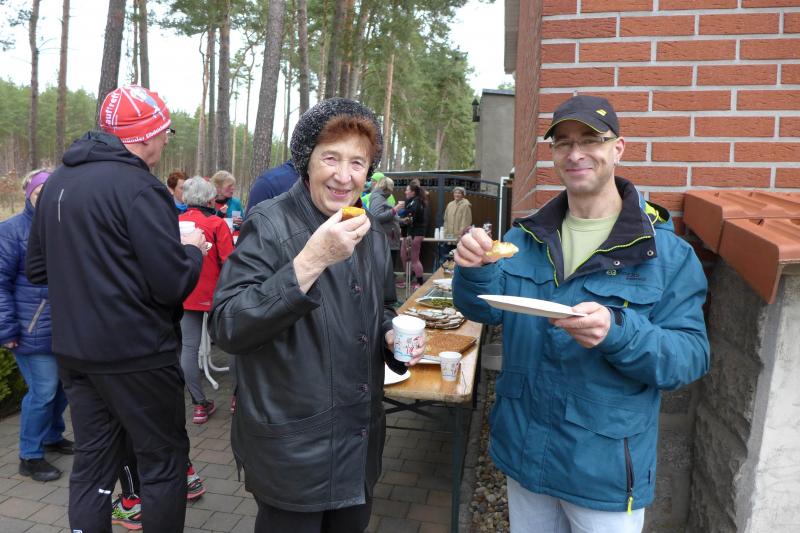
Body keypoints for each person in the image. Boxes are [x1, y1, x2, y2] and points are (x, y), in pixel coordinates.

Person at [452, 95, 710, 533]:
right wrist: (474, 269)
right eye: (563, 142)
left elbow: (690, 356)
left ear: (618, 148)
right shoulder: (525, 238)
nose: (575, 153)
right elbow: (481, 309)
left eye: (591, 140)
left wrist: (619, 333)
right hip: (525, 451)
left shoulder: (665, 253)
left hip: (604, 471)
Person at [208, 97, 422, 533]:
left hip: (359, 442)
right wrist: (311, 260)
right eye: (331, 158)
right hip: (294, 453)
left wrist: (389, 335)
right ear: (307, 161)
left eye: (357, 162)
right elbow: (228, 326)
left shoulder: (370, 230)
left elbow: (382, 306)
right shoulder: (270, 223)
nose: (344, 176)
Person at [25, 84, 206, 533]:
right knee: (162, 463)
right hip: (138, 355)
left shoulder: (58, 182)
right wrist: (191, 249)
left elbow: (38, 269)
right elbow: (172, 285)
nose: (165, 143)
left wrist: (92, 268)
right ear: (146, 135)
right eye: (165, 133)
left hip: (75, 351)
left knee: (93, 464)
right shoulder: (140, 188)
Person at [0, 169, 71, 483]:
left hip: (64, 327)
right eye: (40, 192)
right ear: (28, 194)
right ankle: (29, 456)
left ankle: (53, 435)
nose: (46, 199)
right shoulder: (10, 231)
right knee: (43, 391)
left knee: (63, 387)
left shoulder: (64, 226)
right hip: (30, 327)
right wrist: (6, 329)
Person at [178, 177, 235, 424]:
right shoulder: (216, 223)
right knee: (233, 345)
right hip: (216, 295)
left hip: (185, 292)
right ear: (210, 199)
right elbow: (230, 261)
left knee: (188, 349)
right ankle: (237, 398)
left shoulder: (173, 221)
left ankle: (199, 405)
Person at [367, 176, 402, 270]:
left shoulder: (381, 197)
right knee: (386, 270)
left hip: (388, 240)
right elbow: (376, 218)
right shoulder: (378, 198)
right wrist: (394, 210)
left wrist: (401, 221)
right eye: (392, 188)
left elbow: (387, 216)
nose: (392, 191)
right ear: (387, 187)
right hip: (385, 241)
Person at [398, 180, 427, 289]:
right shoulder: (410, 201)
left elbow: (411, 217)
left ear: (413, 192)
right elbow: (407, 217)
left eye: (407, 190)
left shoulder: (417, 202)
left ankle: (420, 283)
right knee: (404, 256)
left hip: (416, 233)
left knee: (414, 259)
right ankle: (408, 280)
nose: (405, 192)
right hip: (408, 233)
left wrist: (402, 214)